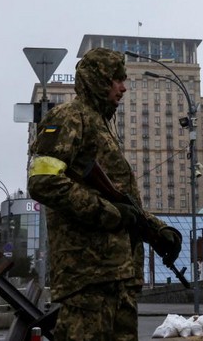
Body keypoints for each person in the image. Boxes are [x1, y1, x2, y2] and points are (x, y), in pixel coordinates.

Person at [28, 47, 182, 341]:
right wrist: (110, 213)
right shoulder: (69, 117)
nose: (123, 87)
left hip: (117, 277)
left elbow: (122, 201)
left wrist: (157, 230)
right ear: (98, 80)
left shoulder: (101, 125)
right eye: (116, 79)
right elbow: (43, 182)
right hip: (88, 277)